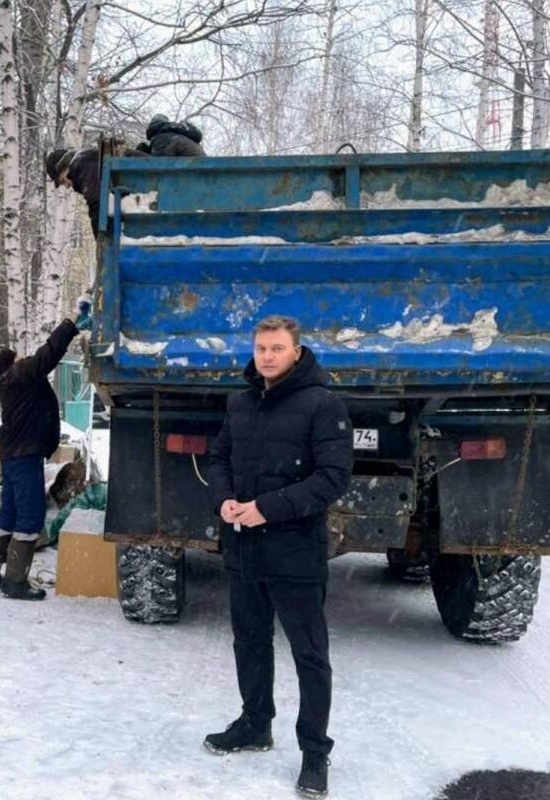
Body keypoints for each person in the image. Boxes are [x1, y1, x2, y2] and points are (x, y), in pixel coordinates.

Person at [203, 315, 353, 798]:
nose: (266, 356)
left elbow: (333, 478)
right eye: (260, 348)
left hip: (295, 551)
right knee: (249, 642)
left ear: (296, 351)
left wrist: (265, 509)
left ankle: (314, 753)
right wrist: (224, 499)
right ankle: (254, 724)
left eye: (276, 348)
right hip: (243, 547)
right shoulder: (240, 402)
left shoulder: (323, 405)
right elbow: (218, 458)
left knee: (309, 655)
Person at [0, 299, 92, 600]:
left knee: (10, 511)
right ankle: (14, 581)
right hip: (24, 454)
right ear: (12, 362)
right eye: (19, 357)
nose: (23, 358)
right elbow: (48, 355)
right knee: (30, 514)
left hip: (13, 453)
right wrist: (71, 324)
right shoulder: (20, 375)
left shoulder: (7, 380)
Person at [45, 145, 147, 236]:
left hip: (146, 181)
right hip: (143, 181)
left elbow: (97, 201)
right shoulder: (88, 159)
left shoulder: (82, 163)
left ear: (65, 168)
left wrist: (100, 238)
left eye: (63, 180)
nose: (66, 186)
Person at [138, 113, 205, 157]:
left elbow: (159, 163)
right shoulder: (177, 136)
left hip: (192, 170)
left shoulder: (162, 137)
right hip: (203, 168)